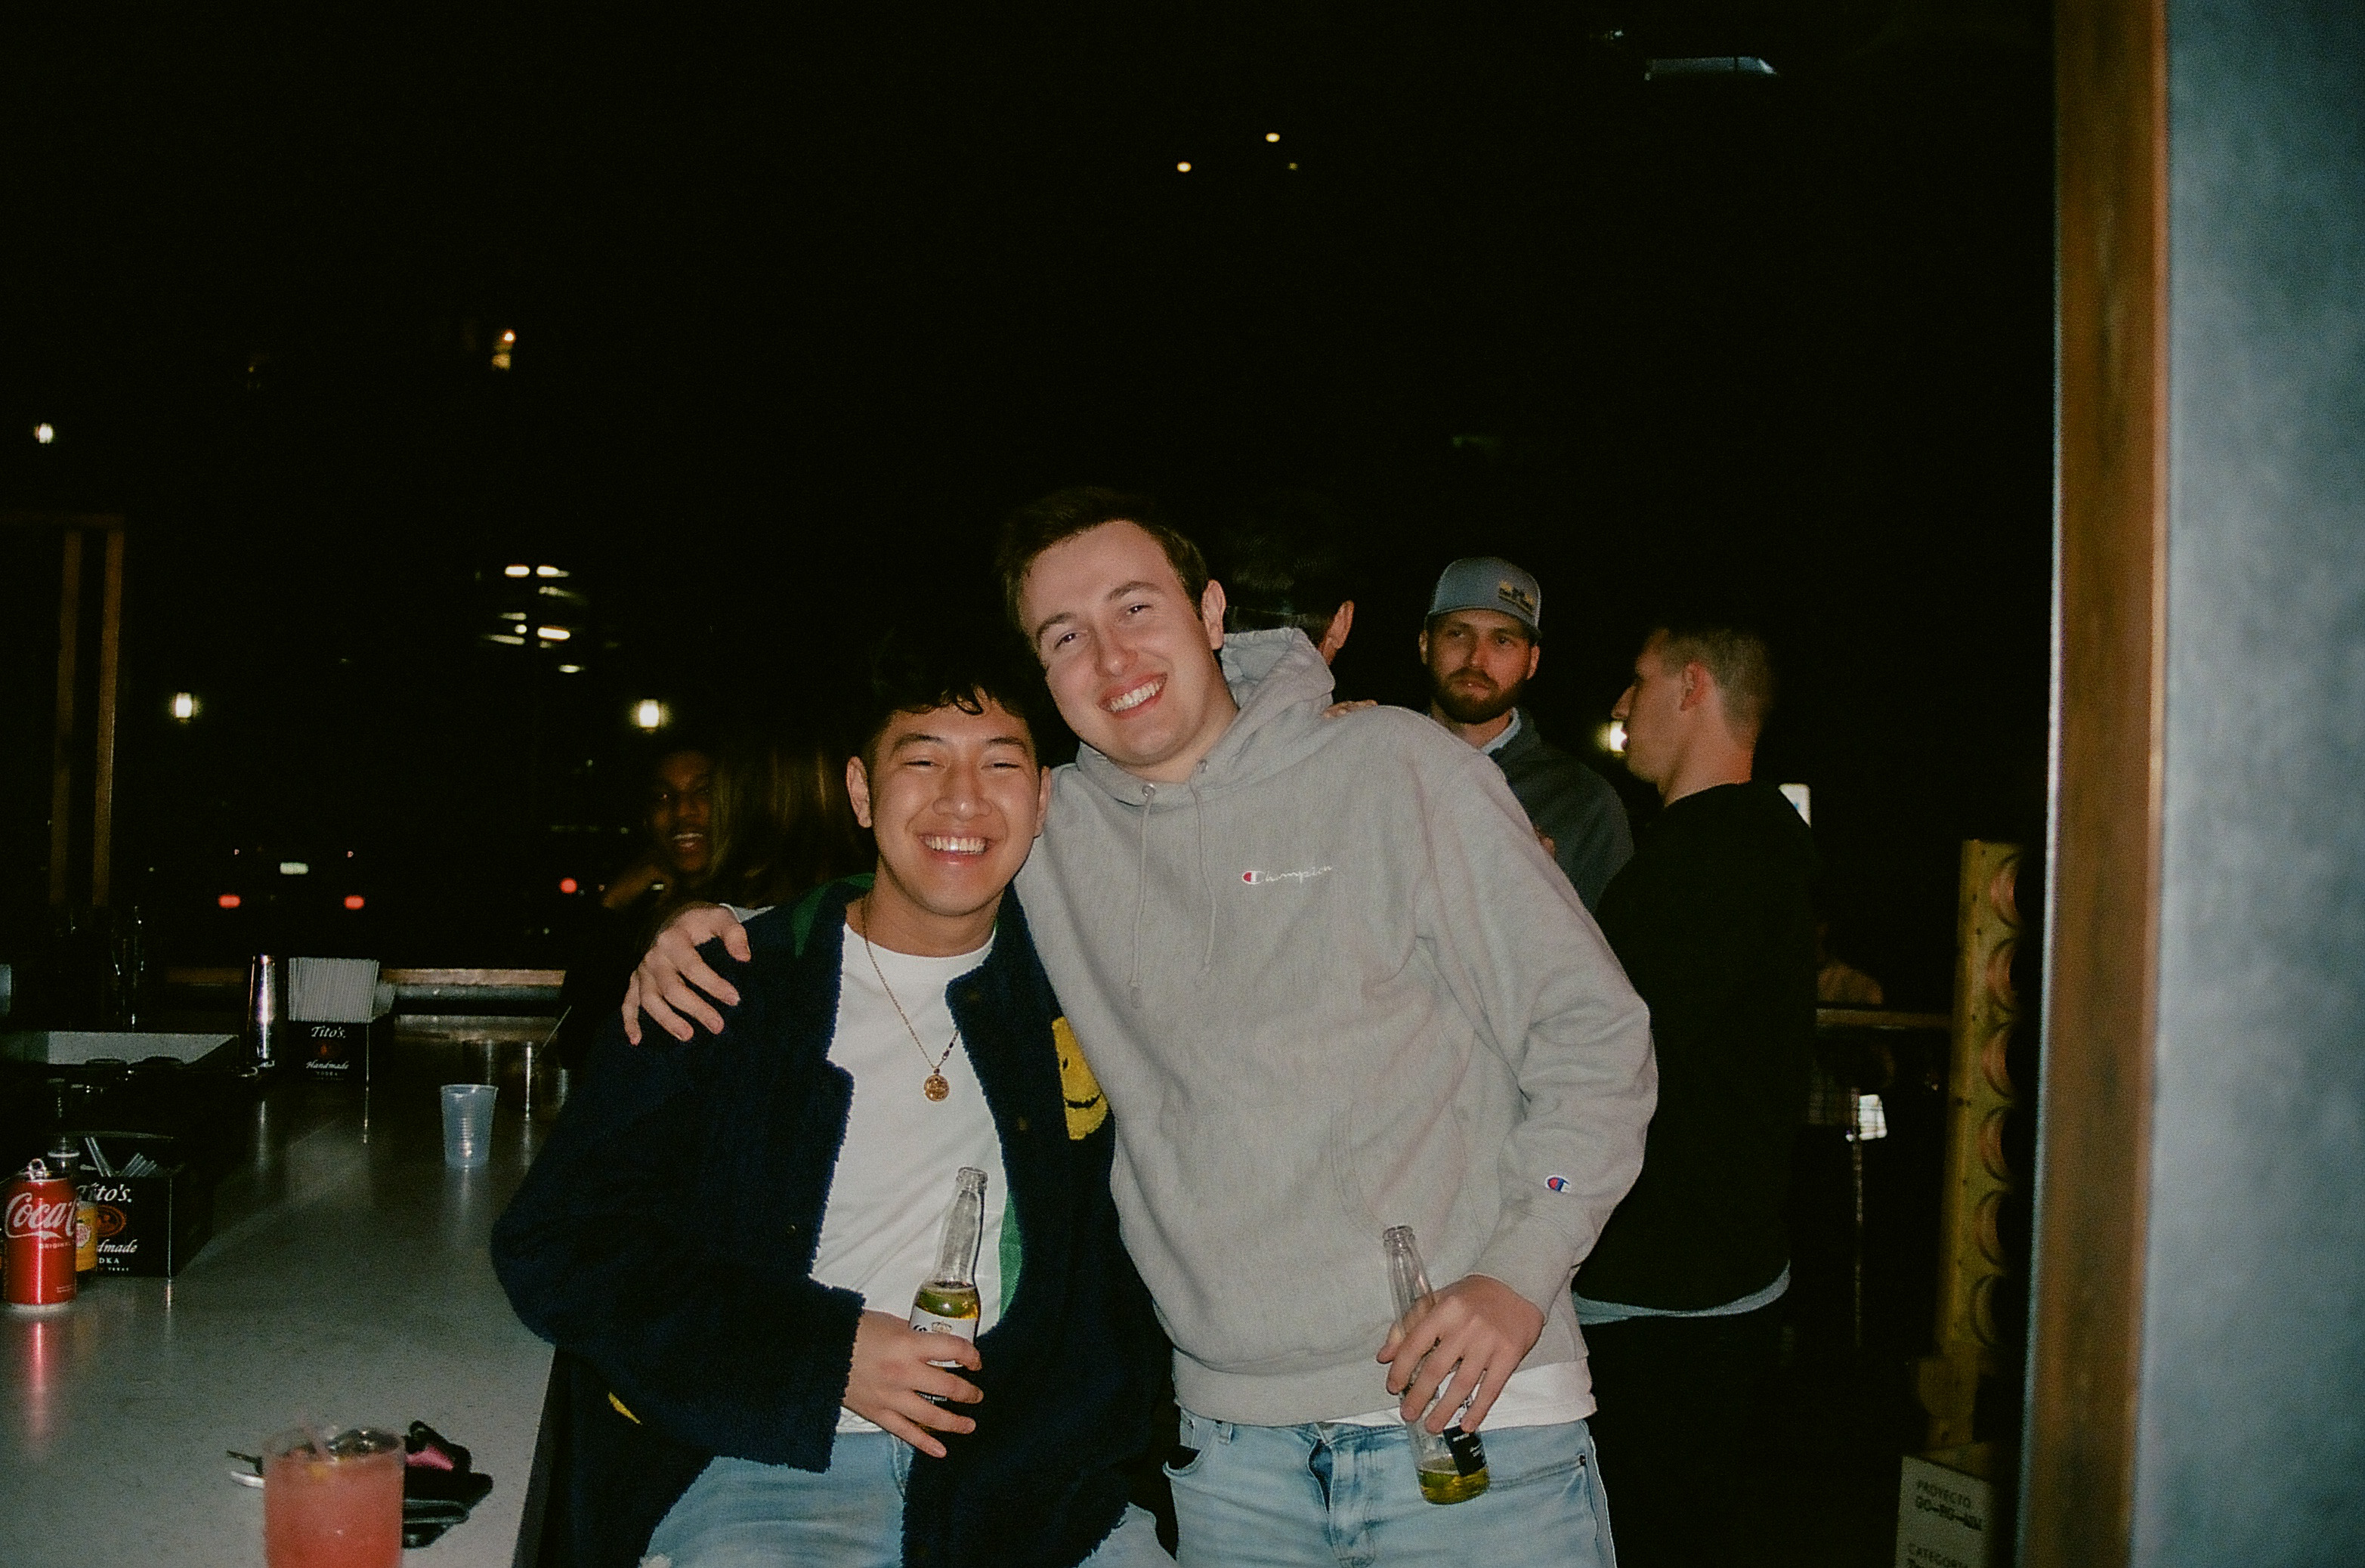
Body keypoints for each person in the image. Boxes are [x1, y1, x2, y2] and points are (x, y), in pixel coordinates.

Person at [625, 488, 1656, 1568]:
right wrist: (729, 930)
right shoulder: (1055, 830)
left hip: (1471, 1417)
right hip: (1229, 1455)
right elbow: (925, 868)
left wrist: (1519, 1267)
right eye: (1064, 635)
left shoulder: (1398, 767)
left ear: (1211, 610)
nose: (1111, 656)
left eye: (1134, 607)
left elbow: (1593, 1035)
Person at [492, 634, 1170, 1568]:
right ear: (860, 790)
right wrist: (820, 1356)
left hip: (1026, 1484)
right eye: (921, 760)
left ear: (1045, 797)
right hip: (765, 1472)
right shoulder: (730, 988)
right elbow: (559, 1242)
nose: (961, 799)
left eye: (1000, 764)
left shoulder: (1091, 984)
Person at [1573, 618, 1819, 1568]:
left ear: (1690, 687)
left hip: (1661, 1296)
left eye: (1637, 682)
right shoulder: (1746, 851)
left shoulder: (1702, 863)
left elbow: (1601, 1058)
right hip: (1720, 1275)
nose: (1621, 706)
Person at [1421, 556, 1633, 911]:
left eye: (1502, 641)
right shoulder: (1375, 760)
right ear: (1425, 644)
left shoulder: (1583, 804)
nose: (1476, 659)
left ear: (1532, 661)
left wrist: (1539, 894)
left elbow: (1608, 957)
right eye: (1458, 633)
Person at [554, 744, 716, 1070]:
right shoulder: (644, 918)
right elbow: (575, 1044)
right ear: (645, 819)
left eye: (704, 792)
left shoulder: (757, 910)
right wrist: (611, 903)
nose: (683, 811)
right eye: (663, 798)